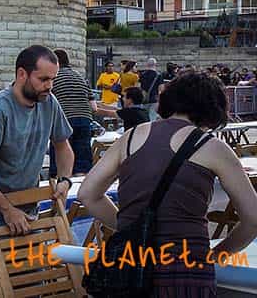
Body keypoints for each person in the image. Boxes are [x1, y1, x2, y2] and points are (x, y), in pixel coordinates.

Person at [79, 71, 257, 297]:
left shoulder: (131, 138)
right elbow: (253, 219)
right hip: (186, 268)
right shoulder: (213, 148)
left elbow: (88, 194)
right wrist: (217, 255)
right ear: (214, 109)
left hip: (131, 265)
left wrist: (135, 227)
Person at [0, 45, 73, 298]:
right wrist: (6, 208)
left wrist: (65, 180)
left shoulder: (49, 102)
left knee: (29, 278)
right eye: (43, 79)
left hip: (26, 202)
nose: (49, 86)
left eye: (52, 80)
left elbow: (63, 146)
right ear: (22, 74)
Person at [50, 48, 95, 175]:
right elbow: (94, 107)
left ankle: (61, 187)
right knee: (82, 164)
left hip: (65, 120)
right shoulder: (80, 77)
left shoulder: (54, 78)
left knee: (61, 159)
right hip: (85, 120)